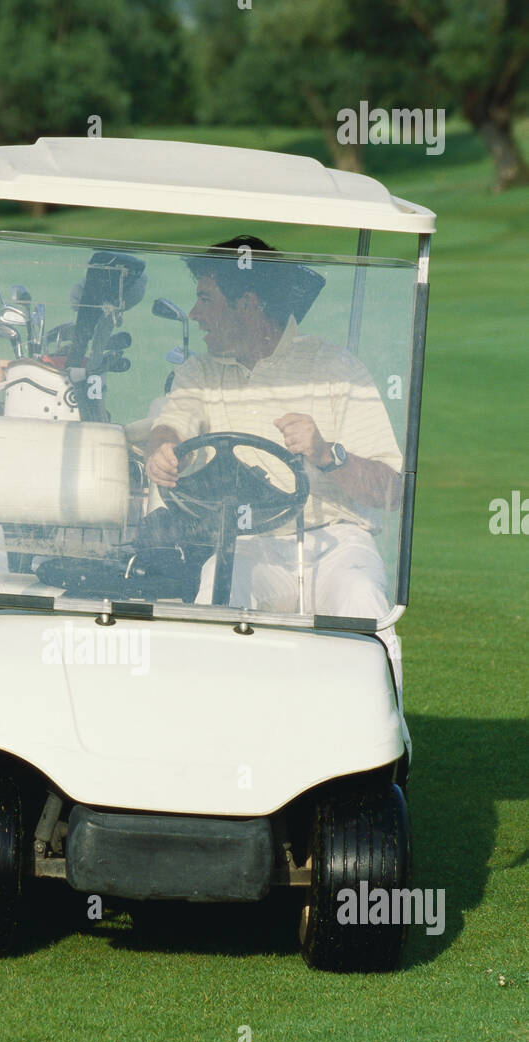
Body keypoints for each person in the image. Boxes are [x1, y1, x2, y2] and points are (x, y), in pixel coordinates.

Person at [144, 235, 410, 744]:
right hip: (248, 543)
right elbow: (171, 424)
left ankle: (378, 756)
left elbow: (389, 490)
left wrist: (328, 453)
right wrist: (163, 448)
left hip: (335, 541)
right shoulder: (199, 369)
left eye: (206, 299)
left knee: (362, 601)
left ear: (247, 305)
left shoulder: (335, 367)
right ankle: (204, 741)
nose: (196, 315)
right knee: (214, 598)